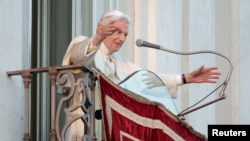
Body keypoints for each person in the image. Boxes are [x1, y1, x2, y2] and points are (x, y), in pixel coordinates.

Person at [62, 10, 221, 140]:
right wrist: (98, 38)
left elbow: (147, 81)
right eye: (117, 32)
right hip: (87, 127)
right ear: (100, 28)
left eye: (125, 35)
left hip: (113, 130)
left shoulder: (120, 60)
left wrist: (186, 78)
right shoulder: (84, 42)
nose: (122, 39)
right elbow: (78, 58)